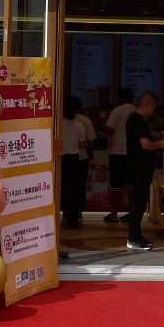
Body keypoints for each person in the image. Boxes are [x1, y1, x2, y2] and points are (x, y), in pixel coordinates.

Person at [124, 91, 164, 251]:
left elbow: (146, 136)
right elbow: (146, 144)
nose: (153, 111)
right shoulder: (136, 119)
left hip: (139, 167)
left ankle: (136, 236)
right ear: (148, 105)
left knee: (139, 202)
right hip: (139, 167)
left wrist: (159, 136)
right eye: (153, 108)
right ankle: (133, 238)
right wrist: (160, 144)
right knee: (138, 202)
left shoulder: (136, 119)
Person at [102, 87, 135, 223]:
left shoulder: (117, 111)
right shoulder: (137, 111)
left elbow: (109, 130)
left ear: (119, 98)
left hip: (117, 152)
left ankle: (114, 215)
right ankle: (132, 214)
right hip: (133, 153)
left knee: (116, 186)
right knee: (132, 186)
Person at [59, 96, 91, 229]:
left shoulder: (56, 125)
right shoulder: (79, 125)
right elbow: (82, 144)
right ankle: (73, 220)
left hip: (59, 158)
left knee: (59, 188)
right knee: (74, 190)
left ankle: (56, 215)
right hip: (73, 159)